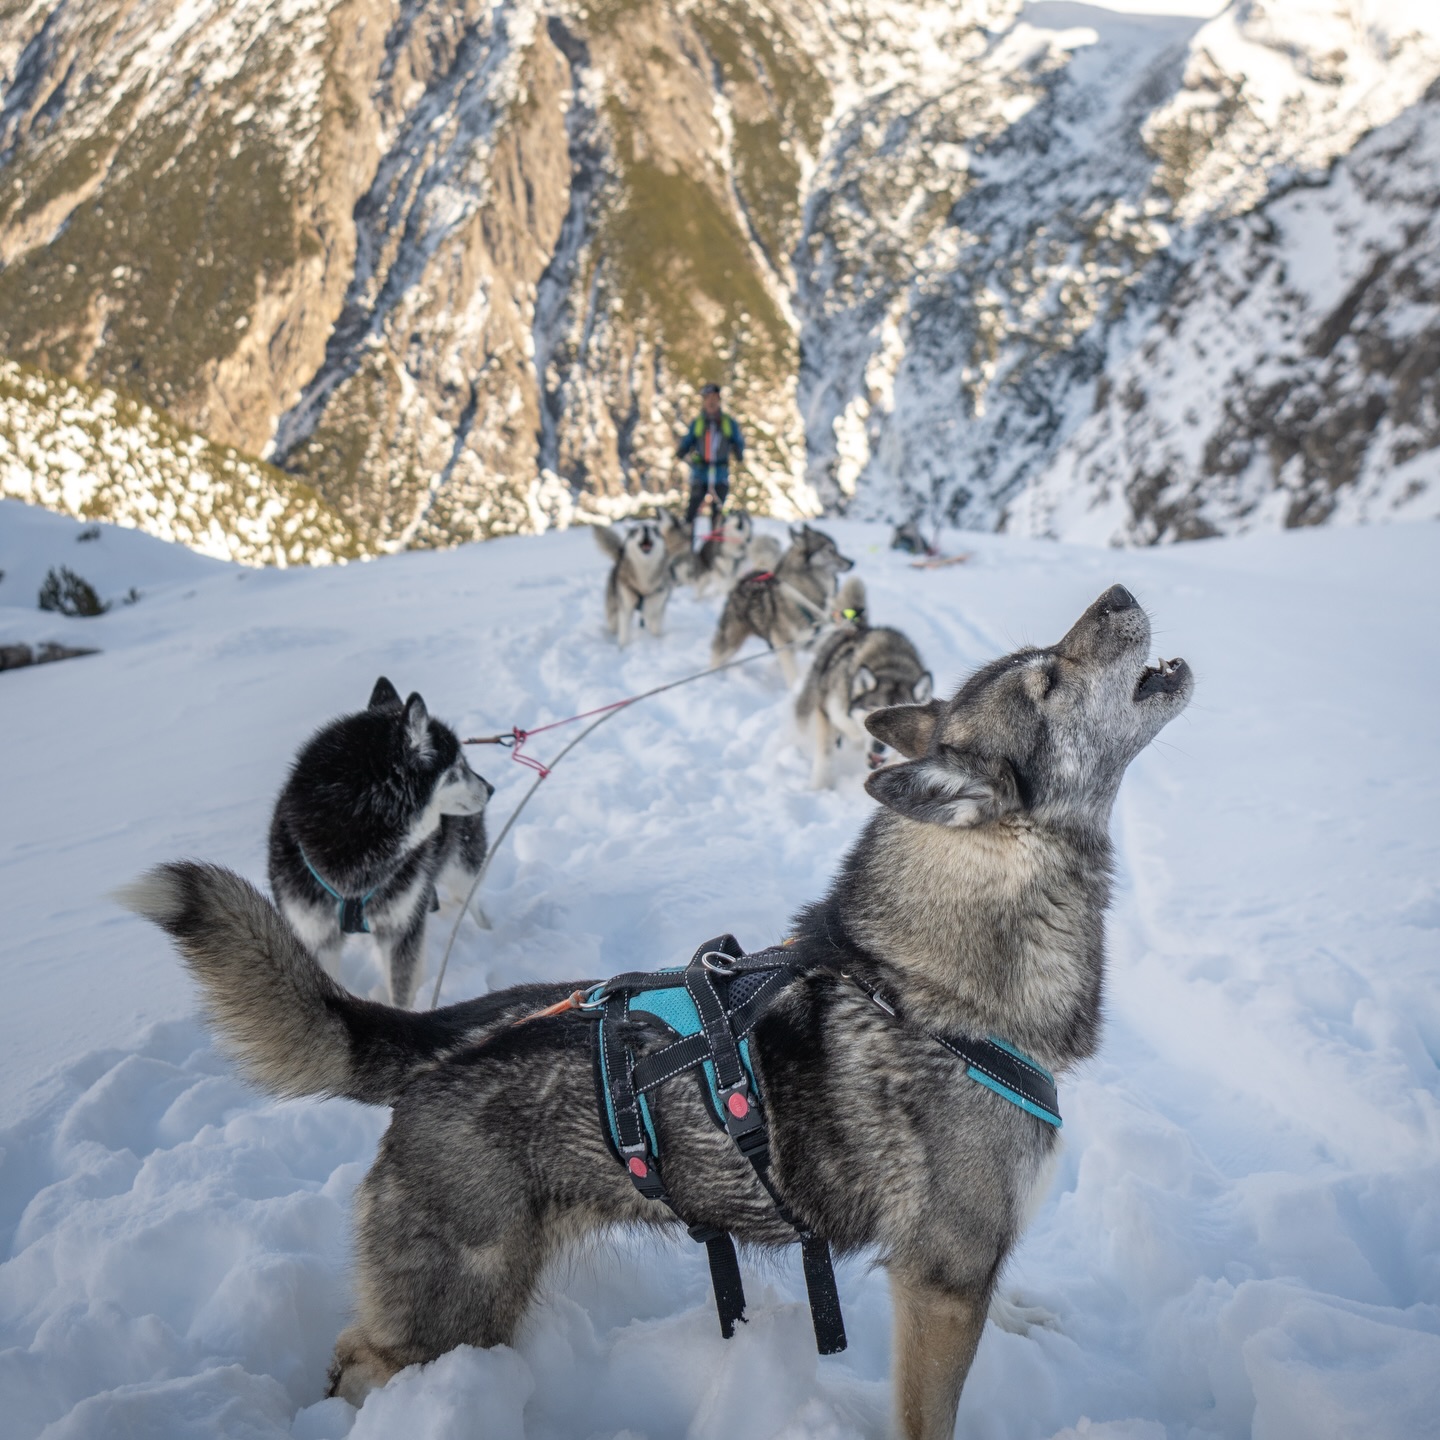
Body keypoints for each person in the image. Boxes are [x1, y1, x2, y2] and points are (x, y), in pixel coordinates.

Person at [676, 383, 744, 535]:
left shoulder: (728, 423)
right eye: (708, 398)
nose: (711, 402)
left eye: (714, 398)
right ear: (704, 401)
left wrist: (739, 451)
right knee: (692, 511)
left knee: (718, 516)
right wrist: (681, 451)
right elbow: (688, 440)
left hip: (720, 474)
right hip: (700, 473)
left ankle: (715, 549)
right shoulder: (698, 423)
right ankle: (686, 544)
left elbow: (738, 440)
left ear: (719, 400)